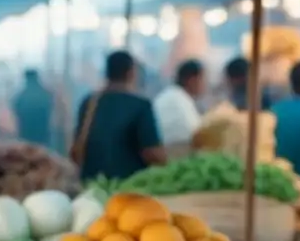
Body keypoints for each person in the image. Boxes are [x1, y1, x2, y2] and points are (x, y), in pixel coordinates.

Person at [71, 50, 166, 181]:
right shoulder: (140, 106)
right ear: (131, 73)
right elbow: (152, 153)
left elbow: (75, 148)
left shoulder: (89, 103)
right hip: (128, 188)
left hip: (91, 186)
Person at [153, 59, 205, 160]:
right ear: (192, 80)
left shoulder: (168, 95)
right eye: (202, 79)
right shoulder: (179, 100)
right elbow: (197, 134)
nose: (204, 85)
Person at [13, 69, 55, 148]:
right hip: (43, 135)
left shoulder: (22, 95)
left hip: (26, 134)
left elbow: (15, 108)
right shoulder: (45, 93)